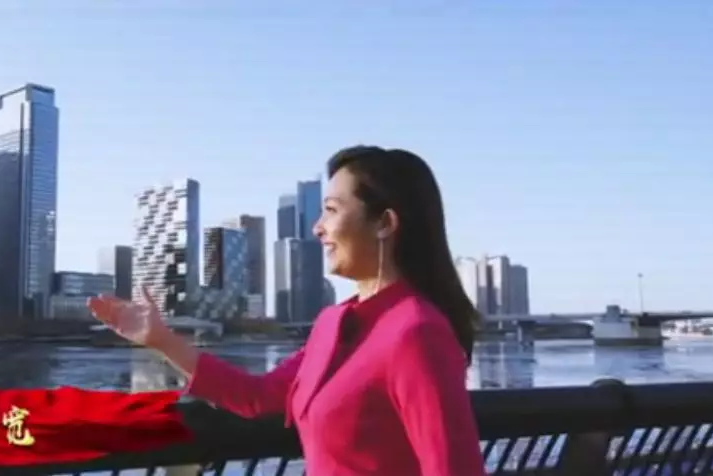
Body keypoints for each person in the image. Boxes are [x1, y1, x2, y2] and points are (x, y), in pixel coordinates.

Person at [88, 145, 487, 475]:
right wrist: (161, 340)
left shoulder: (417, 332)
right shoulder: (334, 323)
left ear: (384, 223)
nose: (317, 227)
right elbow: (258, 396)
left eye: (331, 210)